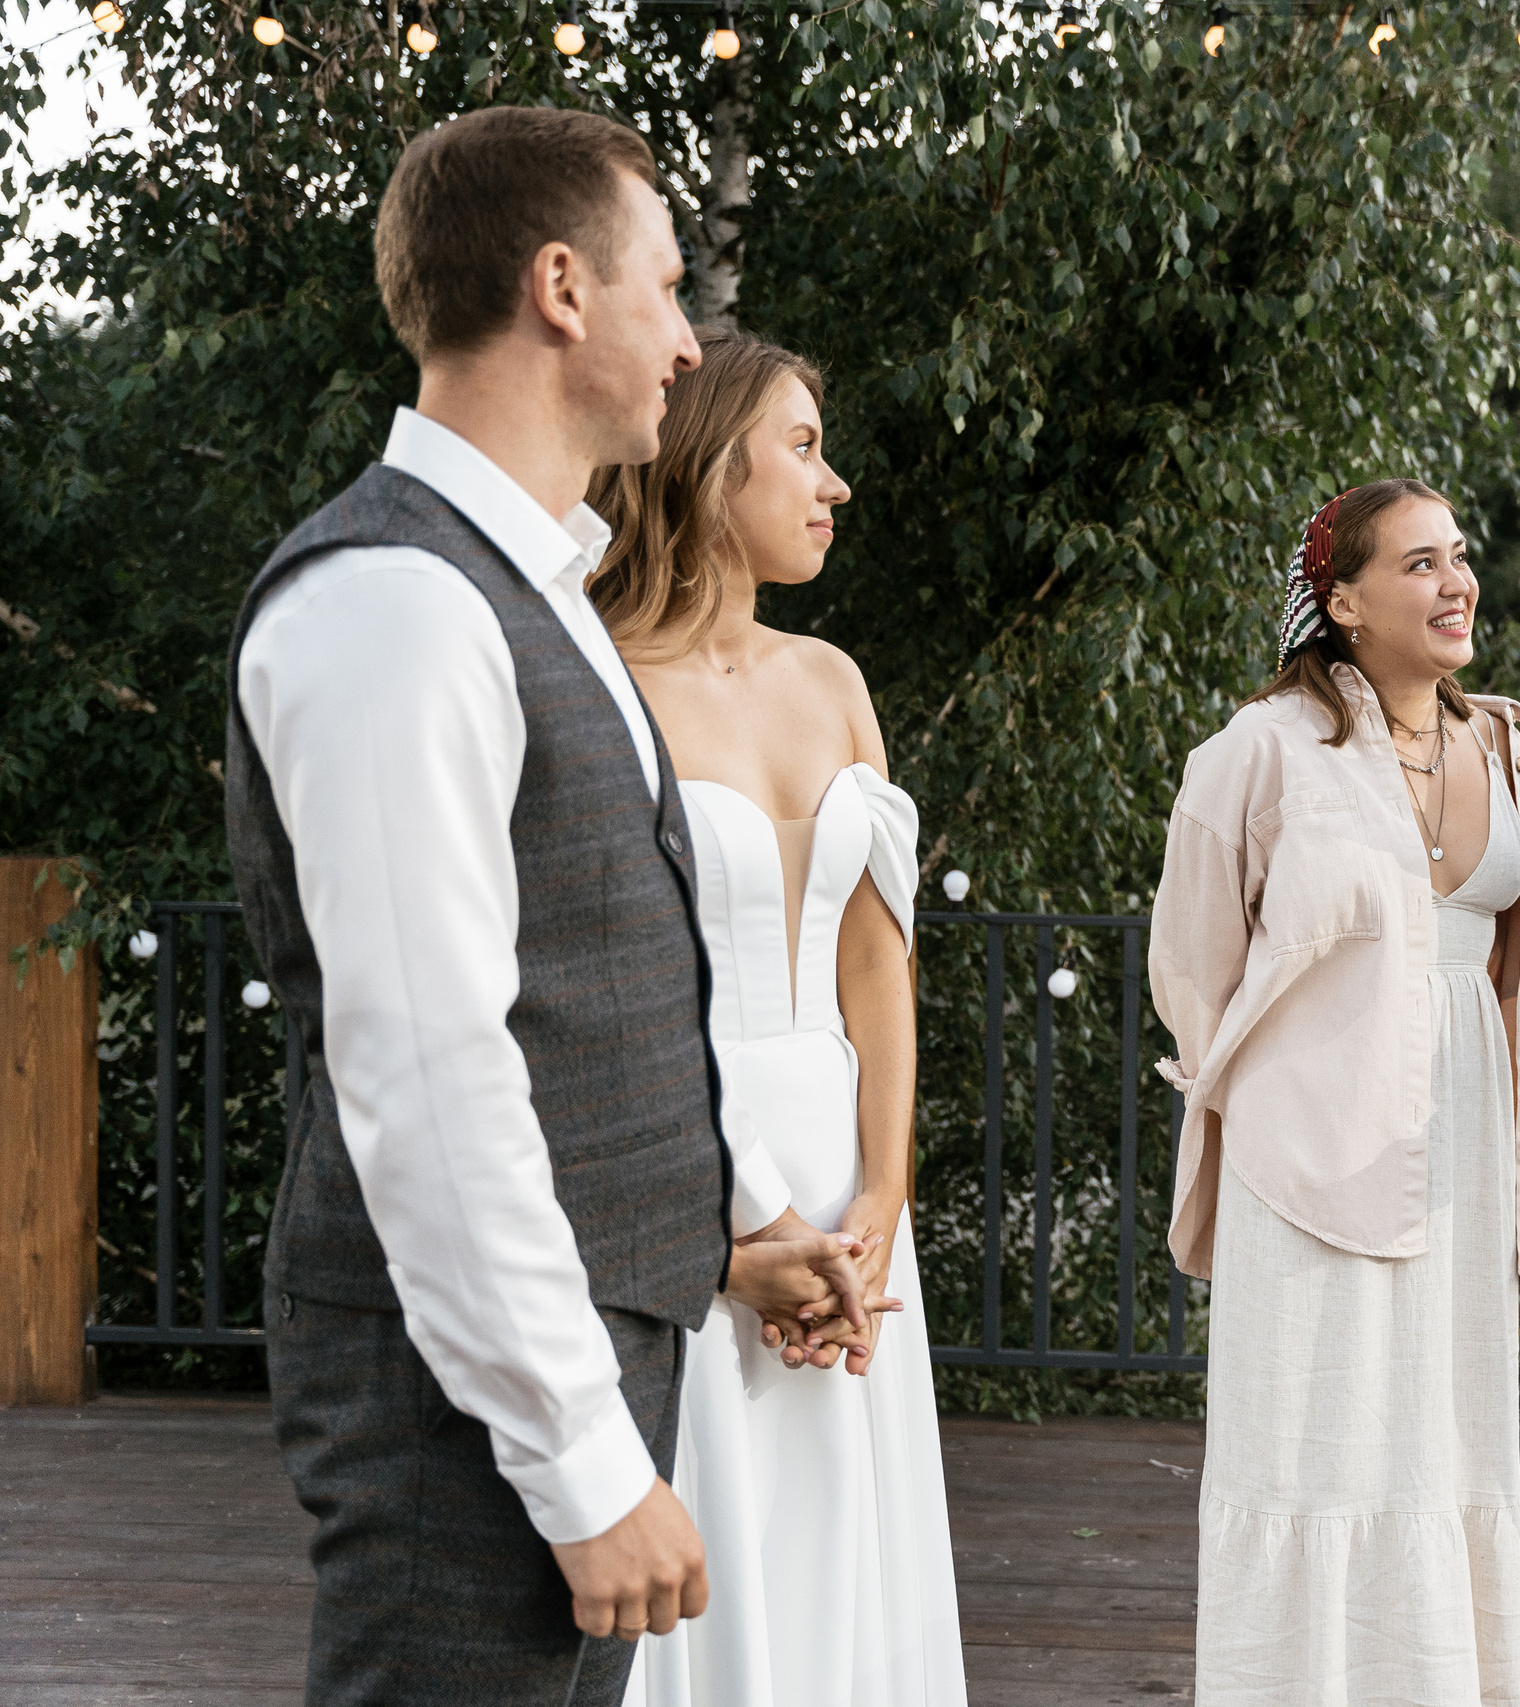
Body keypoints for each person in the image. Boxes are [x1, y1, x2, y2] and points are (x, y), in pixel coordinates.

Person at [227, 108, 868, 1705]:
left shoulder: (528, 586)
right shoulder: (396, 602)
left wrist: (733, 1216)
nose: (684, 340)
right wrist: (585, 1464)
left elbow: (579, 978)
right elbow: (432, 1074)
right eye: (668, 290)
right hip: (468, 1416)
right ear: (563, 287)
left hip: (593, 1341)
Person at [590, 330, 969, 1706]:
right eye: (804, 446)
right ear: (704, 465)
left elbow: (879, 968)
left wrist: (880, 1200)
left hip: (846, 1180)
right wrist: (731, 1231)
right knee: (709, 1529)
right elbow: (595, 990)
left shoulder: (834, 679)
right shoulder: (597, 683)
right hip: (685, 1164)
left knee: (845, 1553)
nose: (838, 483)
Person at [1150, 479, 1520, 1706]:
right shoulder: (1258, 750)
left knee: (1446, 1437)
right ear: (1341, 601)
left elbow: (1504, 965)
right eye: (1420, 563)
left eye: (1459, 557)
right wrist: (1279, 1098)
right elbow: (1192, 965)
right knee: (1311, 1446)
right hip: (1308, 1148)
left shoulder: (1502, 741)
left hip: (1465, 1141)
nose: (1455, 582)